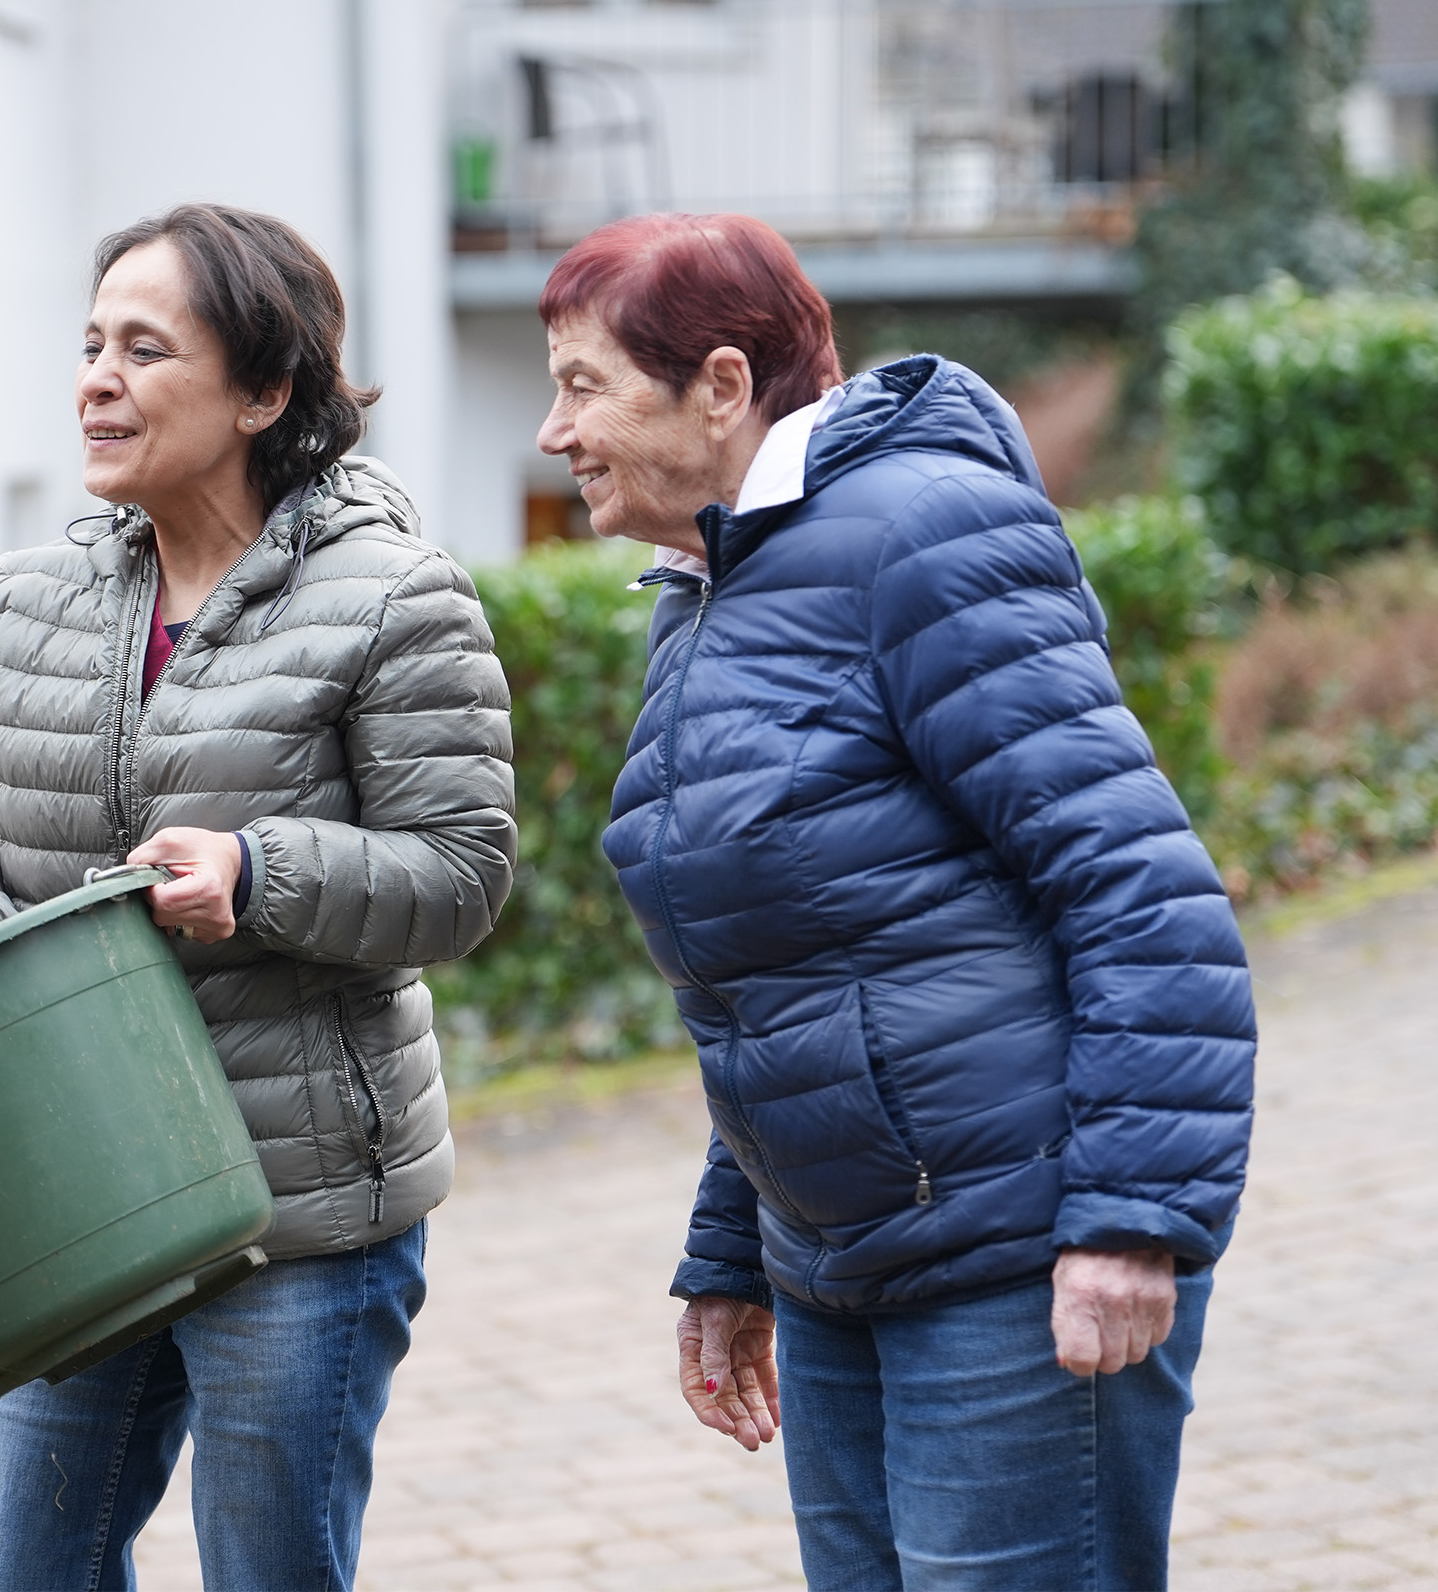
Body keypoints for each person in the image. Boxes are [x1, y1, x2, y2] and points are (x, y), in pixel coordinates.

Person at [535, 212, 1255, 1591]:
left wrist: (1128, 1224)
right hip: (840, 1269)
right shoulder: (714, 586)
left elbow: (1141, 890)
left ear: (723, 387)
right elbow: (787, 971)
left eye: (584, 386)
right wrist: (734, 1250)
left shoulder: (922, 532)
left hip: (1014, 1251)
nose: (554, 430)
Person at [0, 202, 516, 1591]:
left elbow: (461, 877)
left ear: (263, 392)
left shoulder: (397, 600)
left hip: (295, 1208)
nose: (96, 382)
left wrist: (260, 872)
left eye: (145, 349)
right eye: (91, 345)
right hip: (78, 1190)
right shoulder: (24, 600)